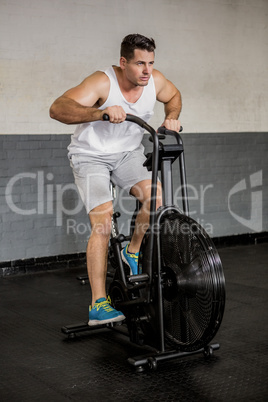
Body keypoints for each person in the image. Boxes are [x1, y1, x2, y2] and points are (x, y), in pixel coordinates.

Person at [49, 33, 182, 326]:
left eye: (150, 63)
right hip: (91, 155)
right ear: (123, 63)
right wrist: (100, 112)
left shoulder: (154, 81)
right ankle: (99, 303)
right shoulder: (102, 82)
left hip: (127, 154)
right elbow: (57, 108)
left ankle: (130, 252)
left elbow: (173, 96)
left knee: (155, 197)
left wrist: (170, 117)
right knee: (103, 224)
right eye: (139, 64)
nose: (147, 70)